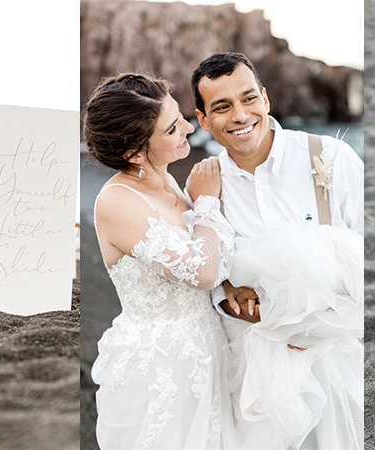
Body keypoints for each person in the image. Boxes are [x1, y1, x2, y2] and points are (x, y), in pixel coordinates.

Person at [186, 53, 365, 449]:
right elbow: (202, 275)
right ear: (202, 120)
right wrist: (227, 294)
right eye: (222, 106)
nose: (240, 115)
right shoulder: (204, 187)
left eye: (248, 99)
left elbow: (369, 264)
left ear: (265, 99)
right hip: (252, 375)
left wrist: (310, 326)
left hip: (334, 362)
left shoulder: (331, 159)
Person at [84, 72, 236, 450]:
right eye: (172, 128)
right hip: (161, 368)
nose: (188, 126)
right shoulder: (117, 201)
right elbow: (201, 271)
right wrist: (206, 204)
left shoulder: (166, 180)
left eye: (179, 115)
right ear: (135, 153)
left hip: (207, 348)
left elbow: (212, 256)